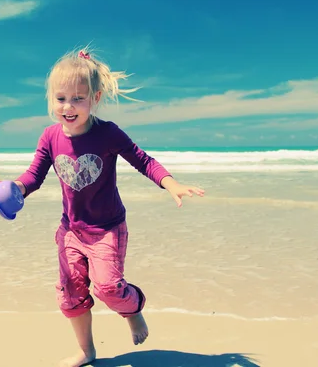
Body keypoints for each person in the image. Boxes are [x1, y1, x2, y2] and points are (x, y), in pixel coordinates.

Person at [12, 46, 205, 367]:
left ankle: (134, 309)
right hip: (71, 230)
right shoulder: (48, 137)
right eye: (61, 99)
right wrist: (16, 188)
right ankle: (86, 350)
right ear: (50, 99)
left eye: (78, 98)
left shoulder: (107, 134)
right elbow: (34, 176)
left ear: (96, 98)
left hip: (107, 229)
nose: (68, 106)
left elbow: (143, 160)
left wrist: (171, 183)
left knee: (108, 287)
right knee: (71, 292)